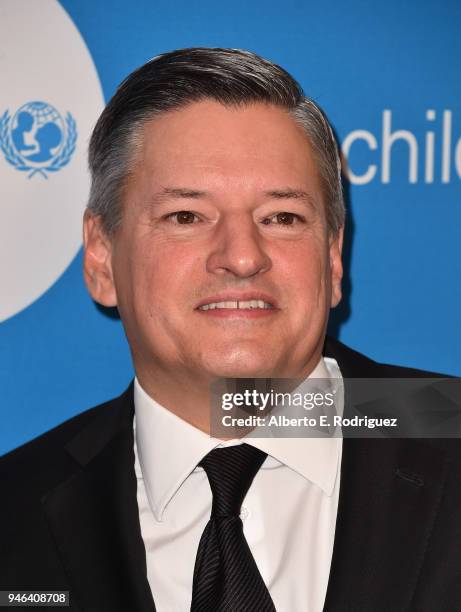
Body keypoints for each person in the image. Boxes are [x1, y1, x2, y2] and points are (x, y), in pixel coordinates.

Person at [1, 48, 460, 612]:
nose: (242, 257)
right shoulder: (12, 510)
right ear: (101, 258)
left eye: (281, 218)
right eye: (186, 217)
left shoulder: (451, 426)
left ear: (334, 258)